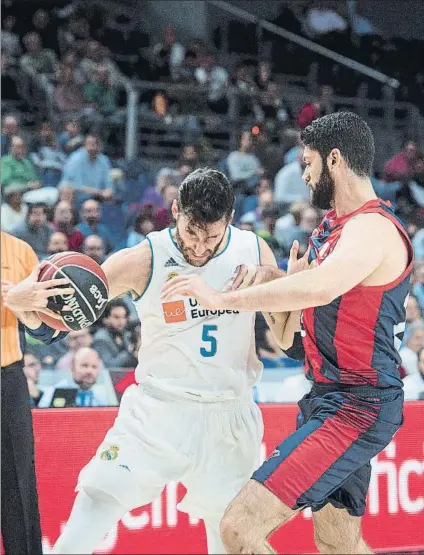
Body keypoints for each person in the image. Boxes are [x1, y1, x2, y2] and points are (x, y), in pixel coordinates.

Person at [3, 168, 298, 555]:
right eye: (192, 232)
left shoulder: (252, 250)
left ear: (229, 220)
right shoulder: (145, 258)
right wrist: (26, 306)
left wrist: (271, 278)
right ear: (175, 210)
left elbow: (286, 336)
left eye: (212, 236)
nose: (200, 248)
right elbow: (64, 320)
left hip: (231, 413)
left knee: (230, 537)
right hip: (160, 410)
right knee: (95, 503)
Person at [161, 113, 413, 554]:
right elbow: (288, 337)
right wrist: (269, 278)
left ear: (335, 160)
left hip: (358, 404)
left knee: (239, 530)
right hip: (330, 396)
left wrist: (222, 299)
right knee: (339, 545)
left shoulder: (371, 228)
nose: (304, 174)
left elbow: (322, 285)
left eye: (308, 162)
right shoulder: (331, 230)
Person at [1, 231, 73, 555]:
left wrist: (27, 315)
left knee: (19, 493)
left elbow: (51, 330)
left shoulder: (19, 251)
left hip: (7, 381)